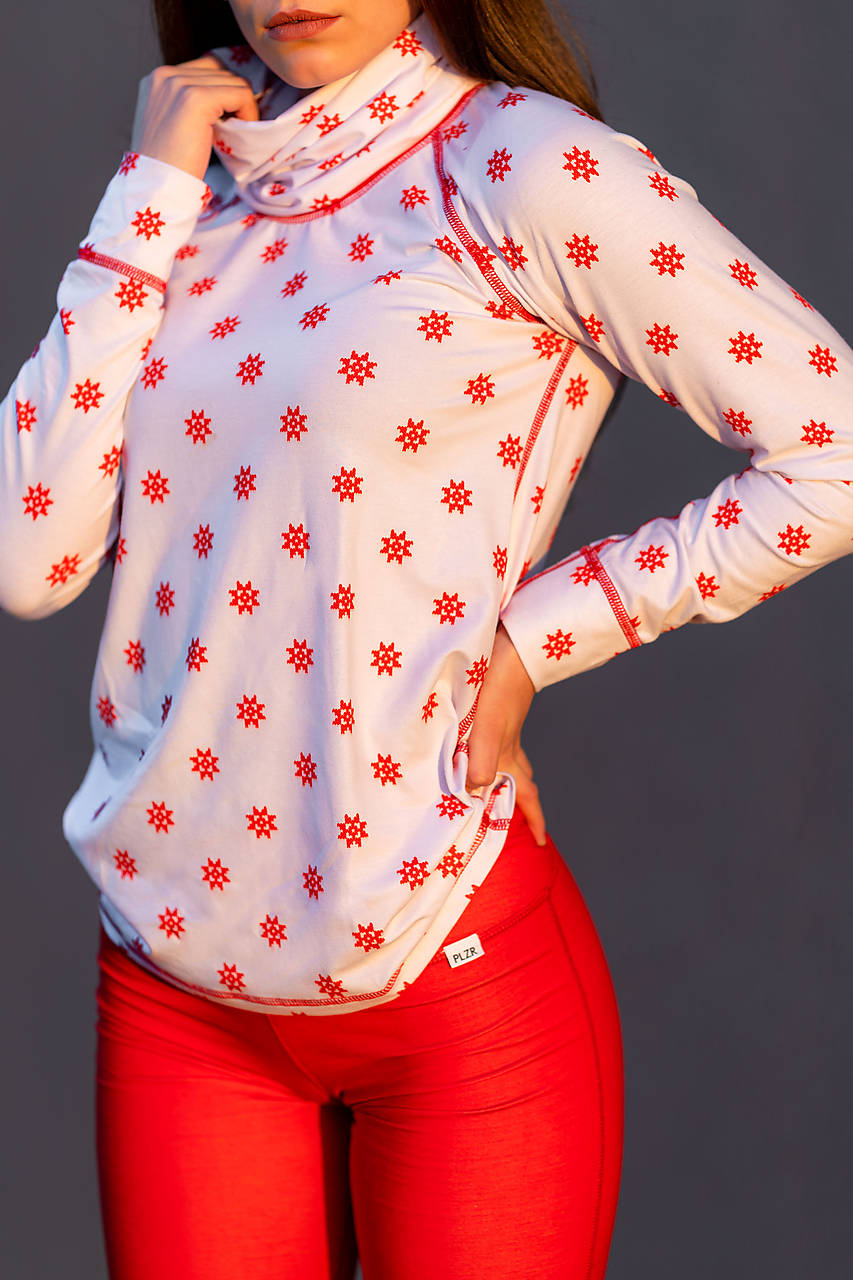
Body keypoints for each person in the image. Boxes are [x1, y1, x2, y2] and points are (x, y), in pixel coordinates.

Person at [1, 1, 850, 1277]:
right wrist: (147, 192)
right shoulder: (192, 182)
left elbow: (834, 448)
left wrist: (537, 638)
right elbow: (30, 558)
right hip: (177, 986)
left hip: (449, 975)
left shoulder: (520, 165)